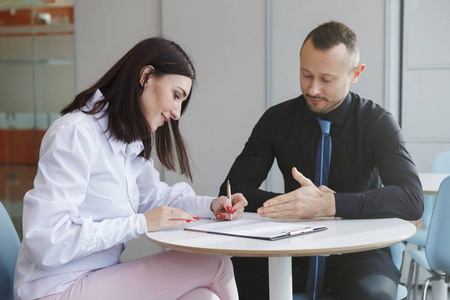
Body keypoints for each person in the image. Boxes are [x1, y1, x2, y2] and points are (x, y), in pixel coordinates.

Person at [14, 37, 247, 300]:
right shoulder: (75, 133)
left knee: (205, 298)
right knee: (216, 264)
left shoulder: (128, 144)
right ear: (146, 76)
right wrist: (140, 223)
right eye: (176, 95)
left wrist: (211, 206)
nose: (177, 113)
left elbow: (156, 199)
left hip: (97, 280)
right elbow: (46, 241)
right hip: (54, 289)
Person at [219, 21, 423, 300]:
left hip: (359, 251)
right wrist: (297, 206)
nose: (313, 89)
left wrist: (330, 204)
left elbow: (411, 198)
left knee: (373, 294)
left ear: (355, 74)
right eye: (305, 75)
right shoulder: (276, 120)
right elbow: (232, 189)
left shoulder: (378, 122)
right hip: (288, 247)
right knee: (226, 285)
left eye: (326, 80)